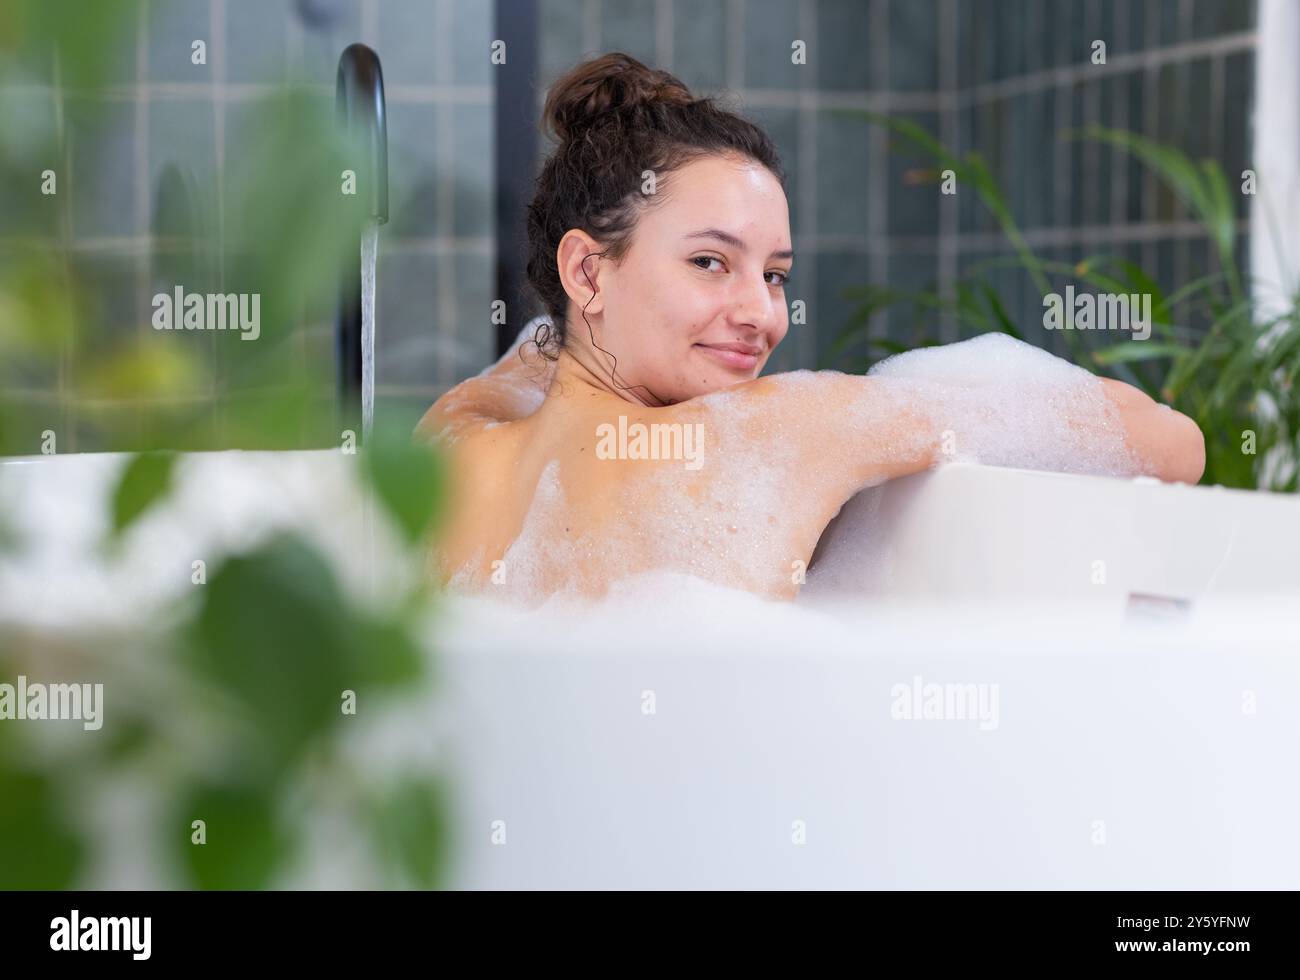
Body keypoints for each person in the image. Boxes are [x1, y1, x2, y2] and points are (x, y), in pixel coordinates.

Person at [416, 53, 1205, 604]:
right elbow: (1173, 441)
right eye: (709, 263)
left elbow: (533, 365)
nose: (762, 313)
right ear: (587, 271)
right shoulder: (771, 437)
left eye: (775, 275)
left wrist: (580, 330)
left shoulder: (450, 447)